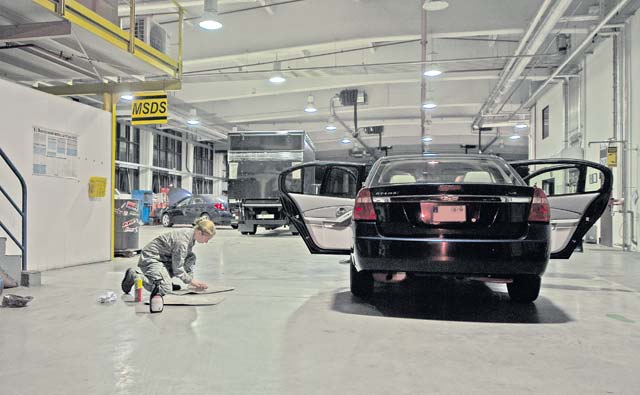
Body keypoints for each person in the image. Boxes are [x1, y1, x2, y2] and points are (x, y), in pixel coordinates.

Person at [121, 217, 215, 295]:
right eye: (207, 239)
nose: (206, 242)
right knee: (165, 290)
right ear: (199, 232)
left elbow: (183, 260)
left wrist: (191, 283)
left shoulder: (191, 236)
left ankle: (164, 280)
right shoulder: (183, 242)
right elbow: (177, 269)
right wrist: (193, 282)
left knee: (191, 256)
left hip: (163, 258)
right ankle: (135, 276)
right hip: (151, 258)